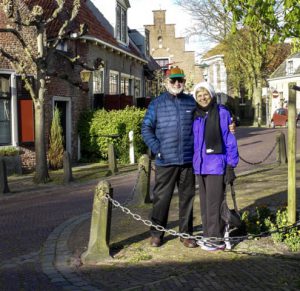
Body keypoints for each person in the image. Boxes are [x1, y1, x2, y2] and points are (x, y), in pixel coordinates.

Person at [141, 67, 198, 248]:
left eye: (180, 80)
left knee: (187, 198)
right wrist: (158, 149)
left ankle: (186, 234)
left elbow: (206, 119)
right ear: (166, 83)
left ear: (184, 81)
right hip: (165, 160)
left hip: (188, 160)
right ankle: (157, 234)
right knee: (161, 199)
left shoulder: (191, 102)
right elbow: (146, 129)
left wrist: (230, 121)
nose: (176, 84)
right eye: (173, 81)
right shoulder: (156, 104)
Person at [192, 81, 239, 251]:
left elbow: (229, 139)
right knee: (205, 203)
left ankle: (216, 240)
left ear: (211, 95)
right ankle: (208, 234)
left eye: (205, 94)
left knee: (215, 203)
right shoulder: (196, 116)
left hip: (217, 165)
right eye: (199, 95)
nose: (203, 98)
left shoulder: (222, 112)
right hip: (201, 166)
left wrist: (231, 165)